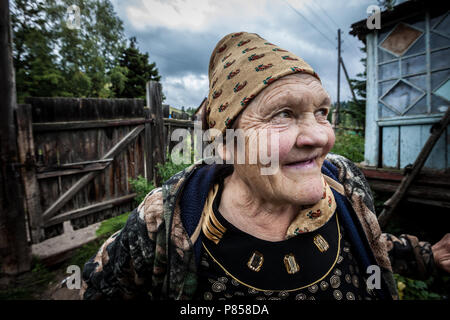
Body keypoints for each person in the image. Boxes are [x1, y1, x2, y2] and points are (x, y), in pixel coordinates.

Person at [80, 32, 450, 300]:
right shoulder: (166, 218)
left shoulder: (343, 182)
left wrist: (427, 256)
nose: (318, 137)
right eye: (282, 114)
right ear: (224, 144)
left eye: (321, 112)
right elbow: (102, 289)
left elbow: (370, 242)